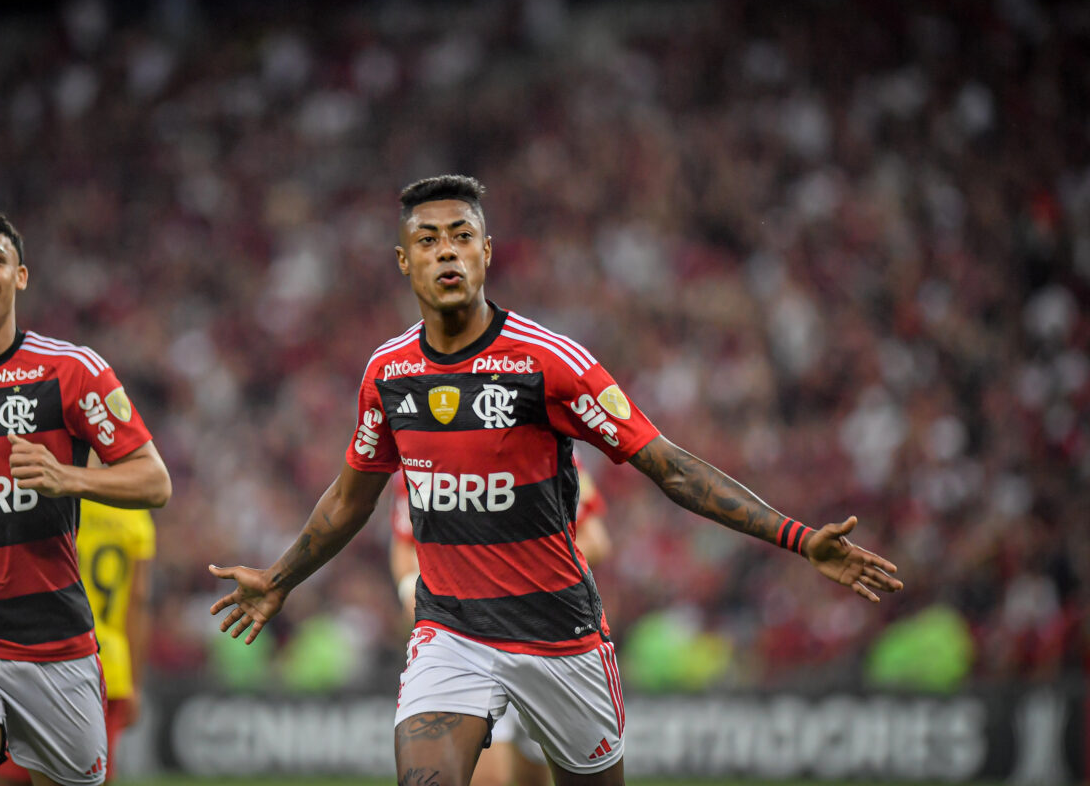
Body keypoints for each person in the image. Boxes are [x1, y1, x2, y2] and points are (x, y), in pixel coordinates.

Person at [209, 175, 903, 786]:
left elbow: (669, 466)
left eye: (461, 236)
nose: (446, 251)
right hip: (451, 630)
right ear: (404, 261)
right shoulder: (388, 375)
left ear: (487, 251)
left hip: (561, 637)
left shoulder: (550, 363)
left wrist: (797, 537)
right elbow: (347, 501)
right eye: (428, 241)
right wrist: (280, 578)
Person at [0, 210, 171, 786]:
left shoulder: (70, 371)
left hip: (53, 641)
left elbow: (154, 481)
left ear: (20, 276)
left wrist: (70, 478)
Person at [388, 455, 610, 786]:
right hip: (468, 638)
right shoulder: (423, 448)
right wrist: (411, 590)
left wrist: (507, 574)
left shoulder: (544, 446)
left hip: (545, 638)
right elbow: (405, 545)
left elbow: (595, 541)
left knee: (533, 778)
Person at [0, 485, 155, 786]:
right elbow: (138, 603)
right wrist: (135, 683)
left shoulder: (51, 496)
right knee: (91, 780)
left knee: (10, 776)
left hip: (39, 654)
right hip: (108, 665)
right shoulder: (134, 511)